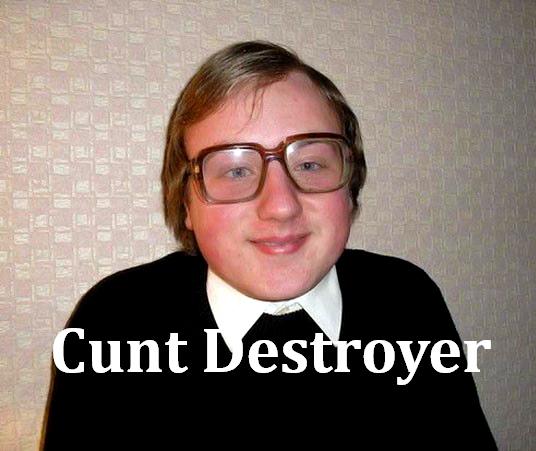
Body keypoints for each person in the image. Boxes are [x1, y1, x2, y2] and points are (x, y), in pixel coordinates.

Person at [41, 41, 496, 449]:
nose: (281, 206)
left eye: (311, 164)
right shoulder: (114, 323)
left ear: (350, 185)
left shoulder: (407, 299)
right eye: (236, 170)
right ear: (186, 203)